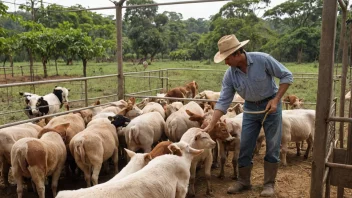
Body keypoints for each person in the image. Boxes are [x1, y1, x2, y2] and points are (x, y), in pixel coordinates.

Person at [203, 34, 293, 197]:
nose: (226, 62)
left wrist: (276, 100)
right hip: (250, 108)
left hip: (270, 106)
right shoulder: (230, 74)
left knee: (272, 145)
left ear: (237, 54)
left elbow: (287, 76)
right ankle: (244, 181)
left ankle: (268, 185)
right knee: (245, 144)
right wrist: (211, 125)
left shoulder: (263, 60)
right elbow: (223, 101)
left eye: (227, 58)